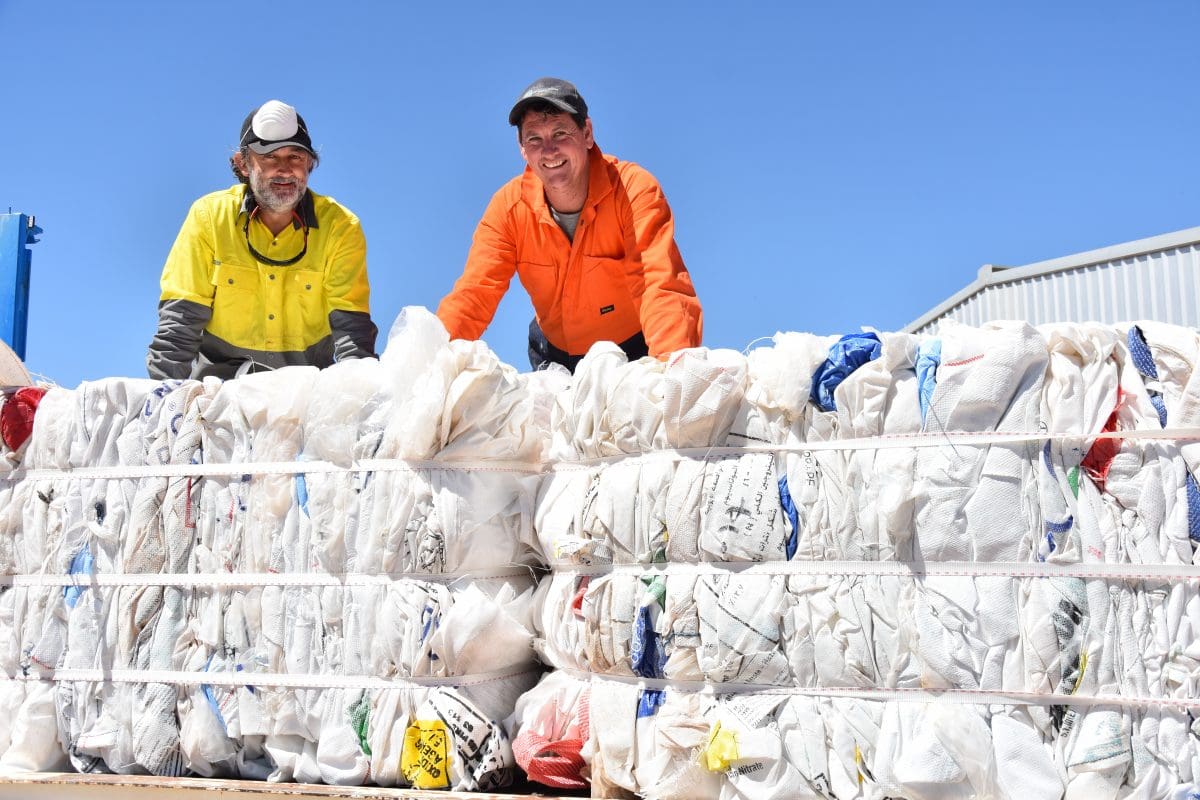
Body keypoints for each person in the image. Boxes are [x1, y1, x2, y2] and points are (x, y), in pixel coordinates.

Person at [436, 77, 702, 372]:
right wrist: (430, 363)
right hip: (554, 357)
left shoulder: (634, 189)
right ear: (522, 148)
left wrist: (674, 369)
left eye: (560, 133)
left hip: (635, 352)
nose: (549, 151)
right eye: (534, 139)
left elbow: (659, 284)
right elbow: (475, 292)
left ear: (587, 133)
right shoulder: (507, 209)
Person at [147, 100, 378, 380]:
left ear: (310, 165)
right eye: (269, 157)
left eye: (296, 157)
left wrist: (356, 394)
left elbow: (352, 336)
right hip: (220, 394)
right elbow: (179, 326)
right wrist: (164, 398)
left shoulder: (340, 227)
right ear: (243, 164)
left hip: (304, 396)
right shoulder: (209, 217)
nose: (284, 169)